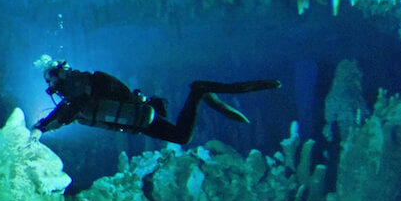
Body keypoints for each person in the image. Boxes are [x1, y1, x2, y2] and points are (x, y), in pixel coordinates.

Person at [33, 58, 282, 145]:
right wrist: (46, 125)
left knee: (182, 137)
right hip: (138, 116)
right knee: (180, 135)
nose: (53, 89)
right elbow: (68, 110)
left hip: (140, 117)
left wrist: (40, 128)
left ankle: (199, 91)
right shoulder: (81, 85)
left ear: (57, 78)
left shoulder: (77, 86)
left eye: (52, 84)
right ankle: (200, 92)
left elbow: (70, 109)